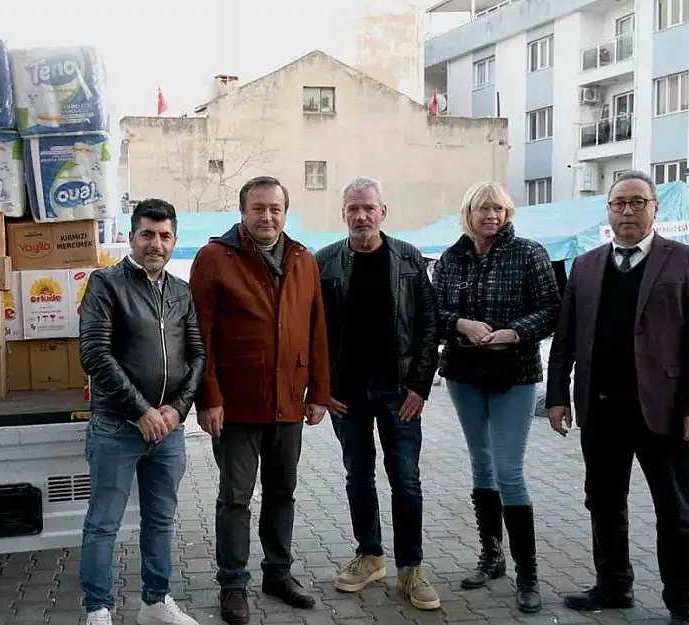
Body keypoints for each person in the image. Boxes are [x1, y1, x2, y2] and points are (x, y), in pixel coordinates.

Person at [546, 171, 689, 625]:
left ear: (654, 208)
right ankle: (613, 585)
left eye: (637, 203)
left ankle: (681, 600)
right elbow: (564, 338)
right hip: (601, 409)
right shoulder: (585, 266)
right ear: (607, 210)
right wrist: (557, 397)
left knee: (676, 511)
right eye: (618, 203)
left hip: (663, 412)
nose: (627, 211)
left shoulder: (687, 261)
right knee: (603, 503)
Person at [189, 176, 331, 625]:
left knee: (282, 493)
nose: (267, 216)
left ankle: (278, 574)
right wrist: (208, 398)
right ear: (242, 212)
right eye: (258, 209)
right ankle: (233, 584)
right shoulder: (215, 258)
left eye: (275, 208)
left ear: (285, 212)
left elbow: (317, 329)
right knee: (235, 497)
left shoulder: (303, 259)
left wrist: (320, 393)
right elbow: (200, 336)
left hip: (288, 401)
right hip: (235, 405)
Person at [431, 181, 559, 614]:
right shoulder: (451, 258)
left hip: (514, 372)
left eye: (499, 209)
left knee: (509, 469)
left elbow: (551, 309)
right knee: (480, 464)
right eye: (484, 208)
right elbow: (433, 312)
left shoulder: (529, 253)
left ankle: (528, 573)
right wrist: (462, 324)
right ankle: (491, 555)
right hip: (464, 373)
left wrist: (516, 331)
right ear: (469, 212)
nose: (492, 216)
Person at [314, 177, 442, 611]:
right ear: (343, 214)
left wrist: (421, 387)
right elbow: (312, 331)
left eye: (369, 208)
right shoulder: (326, 261)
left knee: (406, 478)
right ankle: (369, 555)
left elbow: (429, 326)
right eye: (353, 208)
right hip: (345, 393)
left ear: (383, 212)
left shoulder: (407, 258)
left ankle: (411, 567)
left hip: (398, 391)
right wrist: (320, 385)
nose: (361, 215)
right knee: (358, 475)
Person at [78, 199, 206, 625]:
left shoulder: (181, 292)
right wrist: (141, 411)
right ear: (132, 237)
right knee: (103, 523)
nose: (156, 243)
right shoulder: (106, 284)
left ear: (174, 241)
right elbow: (94, 353)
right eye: (147, 234)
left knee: (161, 521)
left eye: (165, 235)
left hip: (168, 431)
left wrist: (176, 411)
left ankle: (155, 602)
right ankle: (98, 608)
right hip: (118, 427)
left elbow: (198, 355)